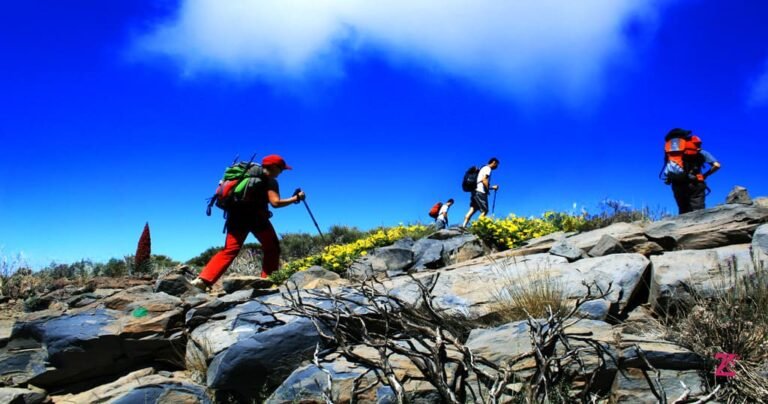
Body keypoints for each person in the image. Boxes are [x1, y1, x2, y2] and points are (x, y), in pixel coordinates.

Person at [191, 154, 305, 290]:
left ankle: (203, 280)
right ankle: (269, 280)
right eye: (281, 169)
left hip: (235, 217)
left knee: (230, 250)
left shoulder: (245, 176)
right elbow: (275, 203)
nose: (281, 172)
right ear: (274, 167)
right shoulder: (269, 180)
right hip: (257, 219)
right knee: (272, 248)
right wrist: (295, 198)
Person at [669, 134, 721, 214]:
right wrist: (705, 175)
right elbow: (717, 165)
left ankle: (684, 225)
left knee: (683, 210)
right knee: (698, 211)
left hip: (678, 184)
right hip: (696, 183)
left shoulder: (676, 153)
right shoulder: (702, 153)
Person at [462, 157, 500, 227]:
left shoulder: (482, 168)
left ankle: (463, 226)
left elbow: (480, 182)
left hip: (475, 191)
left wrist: (492, 187)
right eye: (497, 165)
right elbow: (484, 180)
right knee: (485, 211)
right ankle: (477, 227)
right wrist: (488, 190)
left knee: (473, 208)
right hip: (480, 191)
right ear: (494, 162)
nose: (497, 167)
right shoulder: (488, 168)